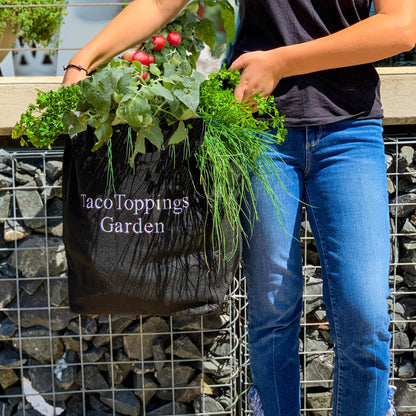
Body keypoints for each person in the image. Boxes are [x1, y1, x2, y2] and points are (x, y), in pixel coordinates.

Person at [62, 1, 416, 415]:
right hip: (257, 132)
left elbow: (401, 27)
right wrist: (82, 61)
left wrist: (281, 61)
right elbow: (160, 4)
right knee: (272, 305)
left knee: (365, 312)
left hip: (349, 131)